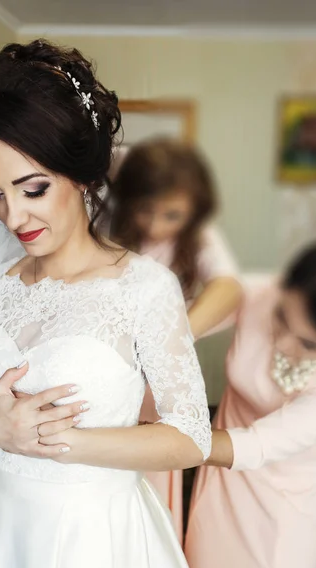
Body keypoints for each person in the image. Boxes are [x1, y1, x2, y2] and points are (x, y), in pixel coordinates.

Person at [0, 40, 211, 568]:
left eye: (32, 188)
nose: (12, 216)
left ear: (83, 177)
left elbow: (190, 437)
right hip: (0, 533)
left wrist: (58, 438)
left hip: (96, 541)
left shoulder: (143, 287)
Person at [184, 238, 316, 568]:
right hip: (221, 476)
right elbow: (176, 328)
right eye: (282, 317)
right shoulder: (257, 293)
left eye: (310, 344)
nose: (284, 341)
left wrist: (165, 442)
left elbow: (259, 444)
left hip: (288, 498)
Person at [110, 138, 242, 540]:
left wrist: (170, 336)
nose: (155, 225)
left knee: (148, 479)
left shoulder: (197, 237)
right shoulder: (104, 224)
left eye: (172, 215)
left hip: (158, 379)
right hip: (107, 368)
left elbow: (228, 288)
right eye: (145, 210)